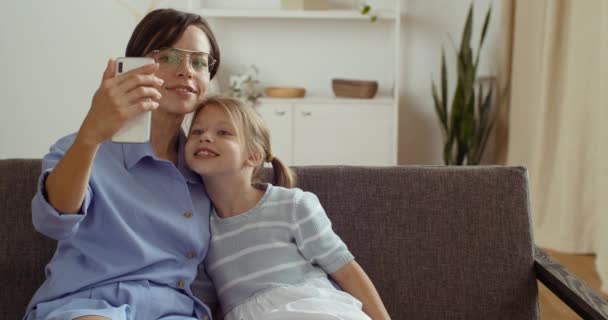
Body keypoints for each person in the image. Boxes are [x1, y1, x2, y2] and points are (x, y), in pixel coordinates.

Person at [25, 8, 220, 320]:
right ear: (133, 68)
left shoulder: (208, 168)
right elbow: (52, 222)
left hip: (174, 312)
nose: (186, 70)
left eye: (198, 61)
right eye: (167, 57)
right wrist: (91, 134)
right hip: (87, 306)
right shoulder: (81, 147)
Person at [184, 96, 392, 320]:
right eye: (196, 131)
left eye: (223, 133)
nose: (205, 137)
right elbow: (204, 303)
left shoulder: (291, 205)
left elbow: (347, 272)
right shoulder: (198, 229)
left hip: (313, 310)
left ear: (253, 156)